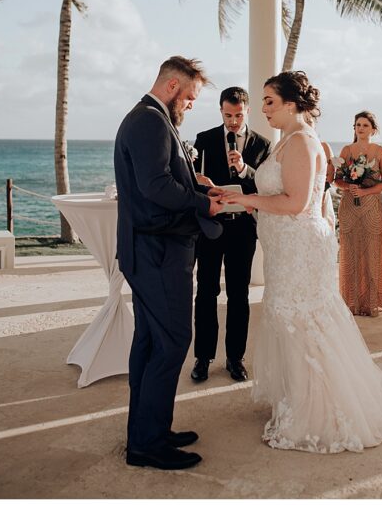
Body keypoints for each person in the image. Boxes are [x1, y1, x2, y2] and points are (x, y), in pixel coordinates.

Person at [222, 71, 382, 452]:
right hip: (284, 249)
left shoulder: (303, 142)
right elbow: (276, 189)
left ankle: (320, 406)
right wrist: (236, 189)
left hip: (300, 248)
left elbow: (296, 203)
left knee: (303, 319)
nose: (264, 109)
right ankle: (299, 394)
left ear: (291, 103)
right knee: (287, 315)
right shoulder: (287, 139)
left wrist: (244, 200)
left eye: (270, 101)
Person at [113, 56, 224, 470]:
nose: (191, 105)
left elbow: (163, 175)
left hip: (150, 250)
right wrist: (204, 204)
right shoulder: (149, 121)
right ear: (173, 85)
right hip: (157, 252)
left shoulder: (152, 118)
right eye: (191, 98)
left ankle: (147, 431)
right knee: (173, 341)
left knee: (149, 342)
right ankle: (147, 444)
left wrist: (196, 183)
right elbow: (155, 185)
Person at [190, 87, 270, 383]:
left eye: (238, 115)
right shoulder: (205, 140)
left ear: (247, 110)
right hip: (211, 227)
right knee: (206, 291)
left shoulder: (262, 144)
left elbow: (266, 187)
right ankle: (203, 357)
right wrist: (204, 184)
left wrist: (245, 170)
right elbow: (194, 183)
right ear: (220, 111)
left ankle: (235, 358)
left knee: (239, 294)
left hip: (242, 230)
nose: (233, 121)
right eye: (227, 115)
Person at [335, 111, 382, 317]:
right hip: (349, 206)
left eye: (365, 125)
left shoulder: (380, 151)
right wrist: (348, 186)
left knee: (371, 253)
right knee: (350, 253)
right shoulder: (347, 150)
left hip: (372, 206)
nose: (360, 128)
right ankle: (350, 302)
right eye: (357, 125)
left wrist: (365, 191)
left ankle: (370, 303)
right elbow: (336, 179)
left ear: (373, 129)